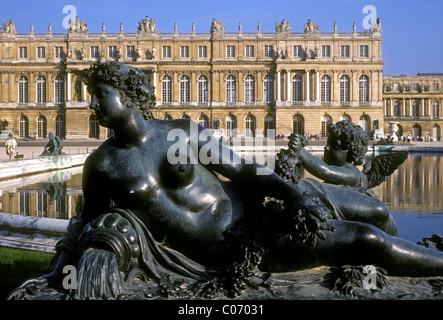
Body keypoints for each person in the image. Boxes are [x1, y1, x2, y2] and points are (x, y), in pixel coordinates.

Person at [9, 62, 443, 300]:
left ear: (128, 96)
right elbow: (83, 223)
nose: (92, 105)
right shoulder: (102, 166)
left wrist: (293, 193)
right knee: (365, 240)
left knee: (371, 225)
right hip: (225, 251)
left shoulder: (178, 132)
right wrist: (64, 273)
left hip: (253, 220)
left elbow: (243, 170)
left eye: (99, 95)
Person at [288, 121, 399, 236]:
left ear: (351, 151)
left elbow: (325, 171)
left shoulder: (352, 174)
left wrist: (302, 152)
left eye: (334, 146)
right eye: (328, 143)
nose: (326, 148)